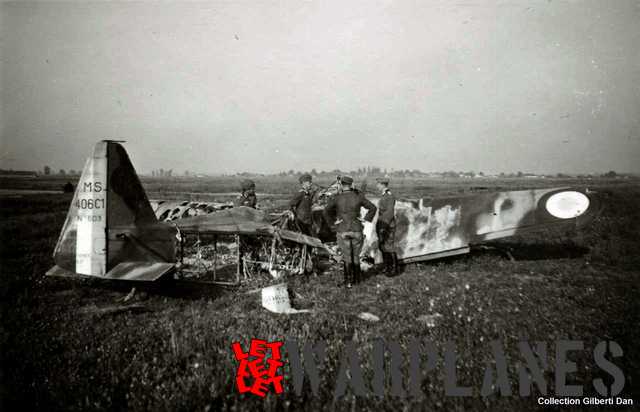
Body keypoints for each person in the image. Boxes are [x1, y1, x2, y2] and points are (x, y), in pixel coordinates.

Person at [324, 176, 377, 288]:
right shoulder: (358, 197)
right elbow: (373, 208)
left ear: (342, 185)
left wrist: (333, 223)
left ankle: (348, 281)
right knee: (356, 256)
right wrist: (366, 219)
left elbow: (326, 211)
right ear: (351, 185)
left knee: (347, 256)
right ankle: (358, 280)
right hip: (356, 229)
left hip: (343, 230)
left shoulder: (337, 198)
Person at [375, 177, 398, 276]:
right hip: (382, 225)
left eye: (378, 184)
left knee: (389, 246)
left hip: (387, 225)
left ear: (382, 184)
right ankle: (387, 266)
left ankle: (393, 269)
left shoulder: (389, 196)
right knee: (382, 246)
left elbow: (389, 213)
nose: (377, 186)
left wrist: (383, 227)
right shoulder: (384, 195)